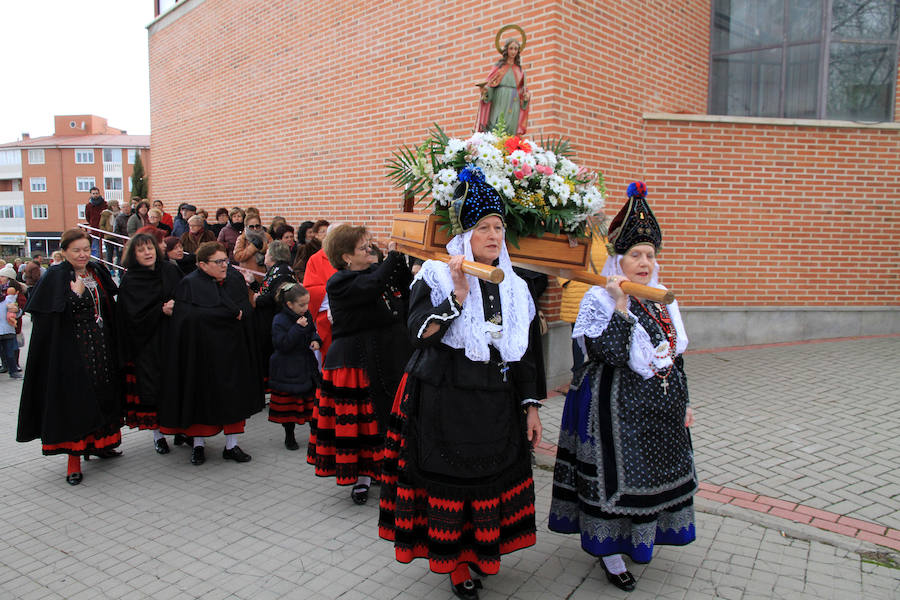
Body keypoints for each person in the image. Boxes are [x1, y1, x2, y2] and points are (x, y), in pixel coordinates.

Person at [378, 170, 542, 600]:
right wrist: (458, 294)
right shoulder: (434, 274)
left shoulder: (517, 286)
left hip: (497, 400)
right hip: (445, 397)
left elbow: (525, 351)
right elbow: (416, 332)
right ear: (466, 234)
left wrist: (530, 405)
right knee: (451, 478)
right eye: (484, 227)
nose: (493, 234)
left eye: (498, 227)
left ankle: (481, 554)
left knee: (491, 477)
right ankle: (456, 563)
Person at [548, 182, 697, 593]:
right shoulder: (599, 299)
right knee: (616, 478)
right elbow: (609, 352)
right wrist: (618, 306)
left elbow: (674, 358)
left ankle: (641, 540)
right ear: (620, 260)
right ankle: (609, 553)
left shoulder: (662, 299)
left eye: (650, 255)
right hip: (612, 407)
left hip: (658, 409)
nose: (645, 262)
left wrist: (684, 402)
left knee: (650, 476)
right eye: (636, 255)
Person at [307, 224, 413, 505]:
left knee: (387, 420)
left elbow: (400, 289)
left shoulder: (374, 272)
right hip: (355, 363)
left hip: (389, 355)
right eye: (364, 247)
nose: (371, 250)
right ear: (345, 258)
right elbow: (373, 285)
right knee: (364, 425)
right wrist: (393, 257)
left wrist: (403, 261)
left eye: (371, 244)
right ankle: (363, 479)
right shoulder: (339, 281)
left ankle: (386, 471)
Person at [16, 228, 123, 486]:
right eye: (76, 250)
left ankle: (101, 445)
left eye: (86, 249)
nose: (83, 254)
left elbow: (109, 301)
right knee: (76, 400)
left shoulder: (96, 271)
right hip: (72, 350)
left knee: (102, 393)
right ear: (64, 252)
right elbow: (45, 315)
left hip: (101, 344)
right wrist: (74, 296)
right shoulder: (55, 275)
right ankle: (73, 461)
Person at [159, 242, 265, 465]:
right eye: (218, 262)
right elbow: (186, 317)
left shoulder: (235, 279)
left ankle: (232, 445)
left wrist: (239, 313)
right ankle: (198, 445)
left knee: (234, 398)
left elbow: (245, 308)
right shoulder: (189, 284)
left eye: (225, 260)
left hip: (232, 350)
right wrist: (226, 314)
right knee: (200, 398)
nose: (225, 265)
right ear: (202, 264)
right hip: (201, 352)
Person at [117, 233, 183, 454]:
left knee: (177, 385)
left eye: (150, 248)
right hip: (147, 342)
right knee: (153, 389)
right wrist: (160, 311)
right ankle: (159, 435)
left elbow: (186, 294)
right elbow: (130, 316)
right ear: (133, 254)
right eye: (141, 250)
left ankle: (181, 429)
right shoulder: (131, 279)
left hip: (174, 339)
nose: (147, 253)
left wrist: (178, 306)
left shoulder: (170, 270)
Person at [268, 283, 321, 450]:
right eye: (302, 304)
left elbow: (313, 330)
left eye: (307, 303)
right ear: (289, 304)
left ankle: (317, 434)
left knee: (312, 404)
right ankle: (289, 436)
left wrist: (315, 340)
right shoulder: (279, 320)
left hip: (306, 365)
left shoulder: (306, 315)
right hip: (288, 368)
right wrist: (298, 328)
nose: (306, 308)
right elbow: (282, 344)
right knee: (290, 408)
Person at [249, 240, 296, 384]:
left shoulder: (283, 272)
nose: (265, 256)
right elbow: (267, 290)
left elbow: (277, 297)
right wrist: (253, 284)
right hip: (266, 317)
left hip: (272, 319)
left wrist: (258, 299)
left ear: (274, 255)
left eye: (267, 252)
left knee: (268, 351)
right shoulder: (275, 270)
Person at [475, 36, 531, 136]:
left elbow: (522, 90)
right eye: (511, 48)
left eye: (516, 49)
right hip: (499, 100)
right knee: (496, 126)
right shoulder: (499, 67)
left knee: (510, 129)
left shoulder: (520, 70)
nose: (513, 51)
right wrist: (486, 91)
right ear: (506, 50)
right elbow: (491, 84)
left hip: (514, 101)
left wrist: (526, 97)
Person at [301, 234, 336, 361]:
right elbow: (310, 289)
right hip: (325, 318)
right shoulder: (316, 259)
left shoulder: (351, 256)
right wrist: (335, 291)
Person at [232, 212, 271, 283]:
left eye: (257, 226)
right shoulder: (242, 238)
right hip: (249, 276)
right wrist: (252, 248)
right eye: (251, 227)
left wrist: (263, 248)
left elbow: (273, 252)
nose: (255, 229)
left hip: (265, 275)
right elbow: (237, 256)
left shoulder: (267, 236)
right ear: (246, 226)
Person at [84, 186, 108, 258]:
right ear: (91, 194)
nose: (95, 195)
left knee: (107, 246)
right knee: (96, 247)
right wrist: (92, 223)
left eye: (97, 193)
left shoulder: (105, 204)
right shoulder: (88, 206)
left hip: (105, 228)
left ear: (99, 194)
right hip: (95, 229)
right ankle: (97, 262)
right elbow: (87, 217)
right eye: (93, 193)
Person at [99, 199, 120, 266]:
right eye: (113, 205)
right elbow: (101, 224)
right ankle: (110, 268)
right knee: (109, 253)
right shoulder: (106, 213)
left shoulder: (120, 213)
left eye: (116, 205)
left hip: (117, 236)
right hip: (109, 236)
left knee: (119, 253)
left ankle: (118, 267)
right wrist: (106, 232)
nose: (115, 207)